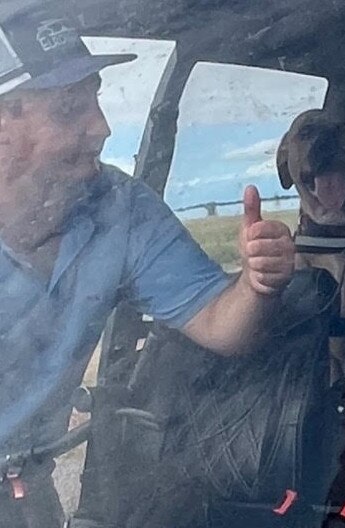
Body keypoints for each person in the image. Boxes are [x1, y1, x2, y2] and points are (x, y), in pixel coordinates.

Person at [0, 4, 294, 527]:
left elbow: (219, 324)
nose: (102, 127)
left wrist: (256, 285)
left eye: (96, 100)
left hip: (28, 490)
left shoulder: (120, 208)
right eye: (70, 108)